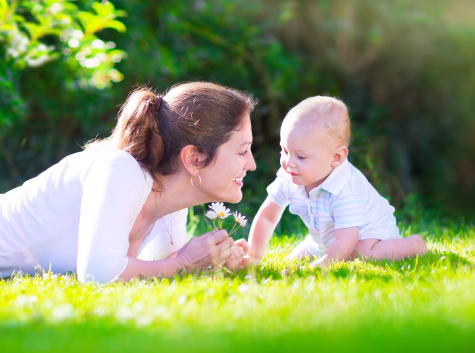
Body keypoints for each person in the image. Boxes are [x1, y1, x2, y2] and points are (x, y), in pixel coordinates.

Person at [0, 82, 256, 283]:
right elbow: (98, 274)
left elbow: (157, 267)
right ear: (194, 158)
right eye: (242, 151)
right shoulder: (119, 170)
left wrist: (212, 258)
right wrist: (186, 262)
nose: (251, 164)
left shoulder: (170, 198)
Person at [245, 96, 427, 267]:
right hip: (327, 237)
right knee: (296, 259)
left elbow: (346, 240)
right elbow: (267, 217)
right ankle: (323, 252)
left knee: (358, 254)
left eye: (300, 156)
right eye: (284, 150)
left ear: (336, 157)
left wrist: (321, 266)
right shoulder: (289, 176)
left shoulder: (344, 188)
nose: (288, 162)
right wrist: (253, 257)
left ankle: (413, 245)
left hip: (369, 233)